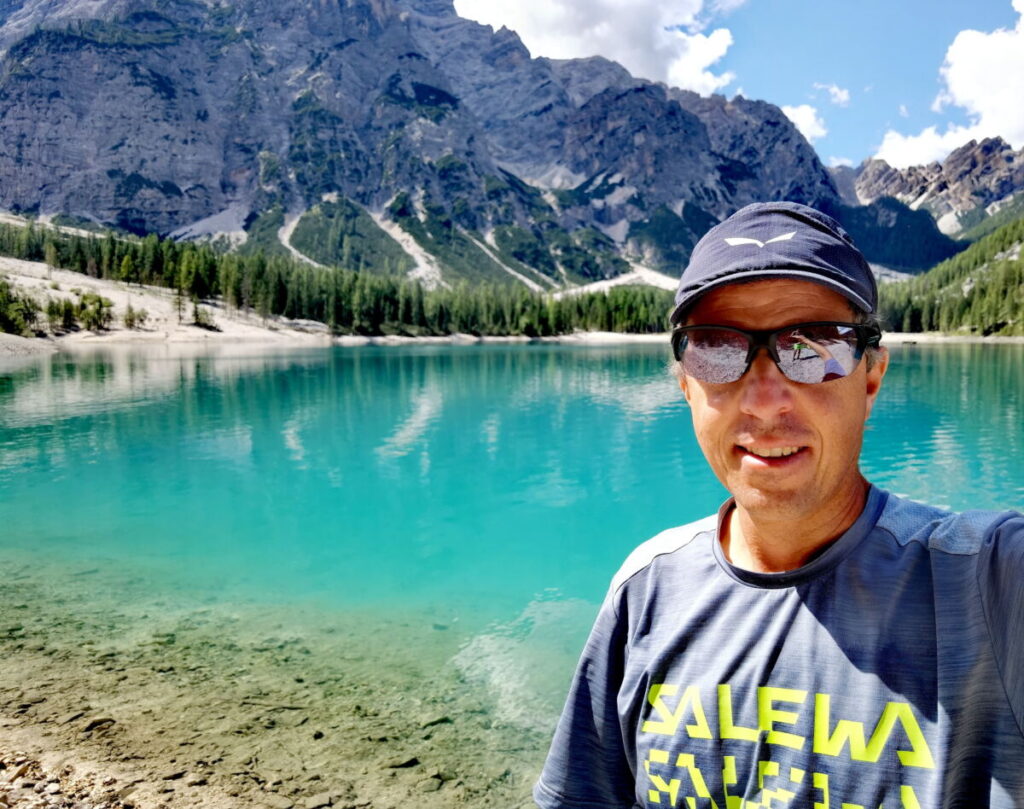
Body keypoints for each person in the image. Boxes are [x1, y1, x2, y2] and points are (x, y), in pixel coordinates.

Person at [534, 201, 1024, 809]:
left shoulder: (990, 582)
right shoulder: (647, 589)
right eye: (716, 348)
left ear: (870, 378)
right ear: (685, 383)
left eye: (813, 344)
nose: (765, 403)